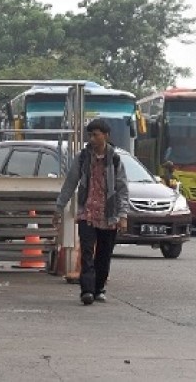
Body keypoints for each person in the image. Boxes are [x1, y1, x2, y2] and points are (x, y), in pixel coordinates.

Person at [53, 119, 129, 305]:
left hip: (108, 215)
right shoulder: (83, 158)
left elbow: (122, 189)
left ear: (106, 136)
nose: (92, 138)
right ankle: (86, 290)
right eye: (90, 135)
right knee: (87, 252)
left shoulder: (115, 160)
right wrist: (59, 207)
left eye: (96, 135)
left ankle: (99, 288)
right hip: (86, 213)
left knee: (104, 254)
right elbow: (70, 183)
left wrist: (123, 215)